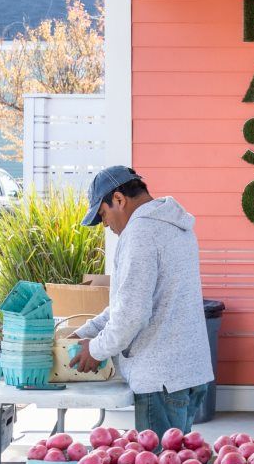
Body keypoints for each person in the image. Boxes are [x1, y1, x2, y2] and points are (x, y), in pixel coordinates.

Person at [68, 166, 214, 434]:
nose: (105, 224)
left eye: (102, 213)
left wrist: (95, 350)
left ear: (119, 199)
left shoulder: (140, 233)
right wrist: (85, 332)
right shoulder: (176, 225)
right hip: (190, 373)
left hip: (160, 381)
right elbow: (130, 303)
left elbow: (132, 314)